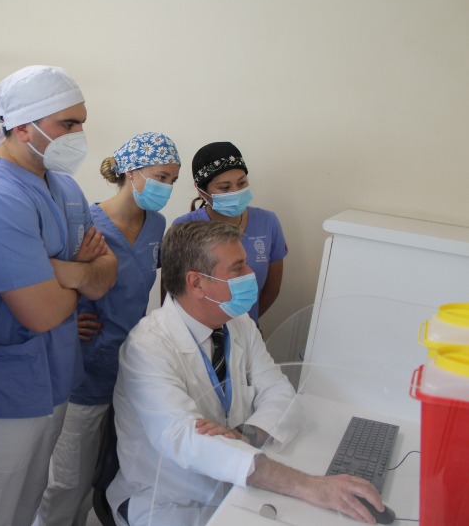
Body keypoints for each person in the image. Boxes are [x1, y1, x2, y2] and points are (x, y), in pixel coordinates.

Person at [106, 221, 387, 525]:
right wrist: (309, 486)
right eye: (237, 268)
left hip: (234, 486)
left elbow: (280, 394)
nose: (251, 274)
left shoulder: (238, 324)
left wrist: (244, 434)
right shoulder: (147, 346)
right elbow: (188, 440)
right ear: (197, 283)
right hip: (169, 502)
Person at [0, 65, 118, 526]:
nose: (78, 135)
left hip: (54, 379)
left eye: (81, 123)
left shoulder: (65, 186)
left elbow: (106, 273)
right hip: (2, 386)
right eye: (67, 124)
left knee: (24, 504)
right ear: (21, 127)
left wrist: (58, 272)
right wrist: (79, 275)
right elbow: (42, 312)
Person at [33, 132, 182, 525]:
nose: (167, 187)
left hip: (130, 364)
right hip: (85, 365)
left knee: (105, 470)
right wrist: (66, 320)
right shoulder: (86, 223)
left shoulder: (156, 225)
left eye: (173, 180)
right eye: (161, 177)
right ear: (131, 172)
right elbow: (45, 278)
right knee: (67, 477)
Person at [172, 142, 286, 326]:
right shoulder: (184, 227)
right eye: (224, 187)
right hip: (196, 334)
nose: (236, 192)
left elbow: (272, 289)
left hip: (248, 331)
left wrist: (242, 327)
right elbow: (173, 294)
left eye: (241, 183)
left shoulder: (268, 222)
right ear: (202, 192)